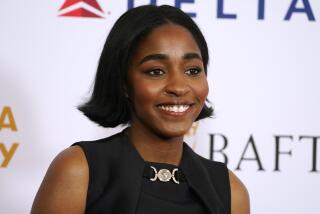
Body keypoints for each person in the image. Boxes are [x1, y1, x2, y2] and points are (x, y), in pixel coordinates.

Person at [31, 5, 249, 214]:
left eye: (193, 70)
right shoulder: (79, 171)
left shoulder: (229, 191)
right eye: (156, 72)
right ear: (123, 83)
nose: (179, 87)